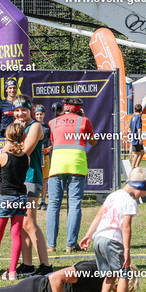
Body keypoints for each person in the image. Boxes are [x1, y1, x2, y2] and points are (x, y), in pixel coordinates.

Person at [79, 167, 146, 292]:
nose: (145, 194)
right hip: (113, 240)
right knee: (123, 275)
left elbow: (100, 214)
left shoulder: (113, 195)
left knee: (110, 274)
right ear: (140, 185)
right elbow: (126, 226)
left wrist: (89, 235)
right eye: (145, 190)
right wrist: (126, 250)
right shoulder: (129, 201)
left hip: (99, 239)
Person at [46, 98, 97, 252]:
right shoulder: (84, 121)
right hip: (77, 165)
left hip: (57, 166)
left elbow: (54, 142)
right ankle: (70, 245)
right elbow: (93, 142)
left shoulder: (52, 122)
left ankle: (51, 245)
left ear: (65, 108)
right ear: (79, 109)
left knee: (53, 205)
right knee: (74, 205)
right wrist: (83, 118)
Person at [11, 94, 52, 277]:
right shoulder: (17, 127)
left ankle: (45, 265)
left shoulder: (35, 126)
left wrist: (14, 136)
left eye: (24, 110)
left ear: (31, 110)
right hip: (17, 178)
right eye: (17, 110)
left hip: (30, 177)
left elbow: (23, 151)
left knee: (29, 222)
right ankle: (27, 265)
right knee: (21, 224)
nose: (20, 114)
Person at [0, 123, 29, 281]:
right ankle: (12, 272)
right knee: (16, 234)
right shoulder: (26, 157)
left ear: (7, 137)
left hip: (5, 197)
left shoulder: (2, 156)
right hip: (21, 197)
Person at [34, 105, 51, 210]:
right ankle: (34, 200)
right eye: (37, 114)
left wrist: (48, 149)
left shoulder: (47, 127)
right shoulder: (32, 126)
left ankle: (43, 201)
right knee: (34, 179)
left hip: (44, 156)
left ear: (44, 114)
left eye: (41, 114)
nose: (39, 116)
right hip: (34, 156)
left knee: (44, 179)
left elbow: (53, 142)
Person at [130, 104, 145, 169]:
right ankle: (133, 168)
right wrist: (140, 138)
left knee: (142, 152)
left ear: (134, 110)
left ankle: (136, 166)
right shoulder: (138, 117)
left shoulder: (132, 117)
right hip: (136, 138)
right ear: (141, 110)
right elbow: (139, 128)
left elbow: (130, 128)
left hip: (134, 137)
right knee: (137, 154)